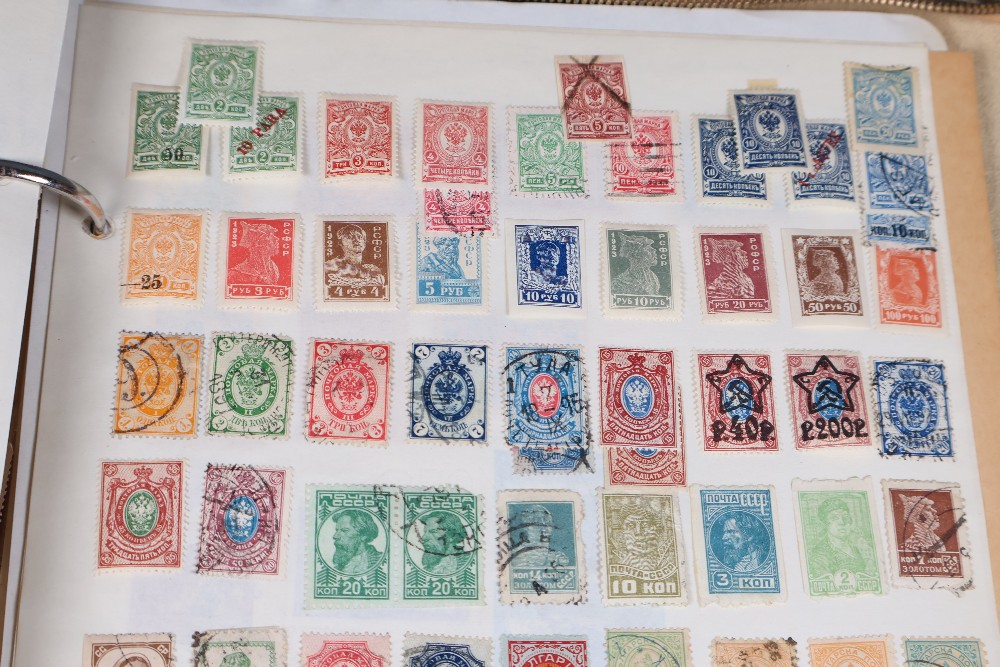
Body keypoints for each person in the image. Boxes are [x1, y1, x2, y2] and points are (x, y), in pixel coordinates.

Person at [808, 497, 875, 577]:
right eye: (834, 518)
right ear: (825, 523)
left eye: (845, 517)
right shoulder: (819, 554)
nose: (842, 522)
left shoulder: (857, 549)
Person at [325, 224, 386, 294]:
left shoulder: (373, 271)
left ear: (364, 243)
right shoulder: (329, 267)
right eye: (350, 237)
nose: (357, 240)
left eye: (360, 237)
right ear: (340, 243)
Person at [509, 504, 570, 569]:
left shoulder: (557, 558)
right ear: (526, 528)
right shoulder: (518, 558)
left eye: (549, 524)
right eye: (538, 524)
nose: (545, 530)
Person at [330, 508, 383, 574]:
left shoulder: (381, 560)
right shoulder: (338, 566)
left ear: (364, 535)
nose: (335, 536)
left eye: (344, 530)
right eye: (336, 530)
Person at [417, 510, 469, 576]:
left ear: (451, 535)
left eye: (433, 532)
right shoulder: (428, 567)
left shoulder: (467, 561)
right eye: (425, 532)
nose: (424, 537)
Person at [229, 221, 281, 286]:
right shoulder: (235, 275)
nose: (276, 239)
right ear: (258, 243)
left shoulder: (273, 268)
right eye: (269, 235)